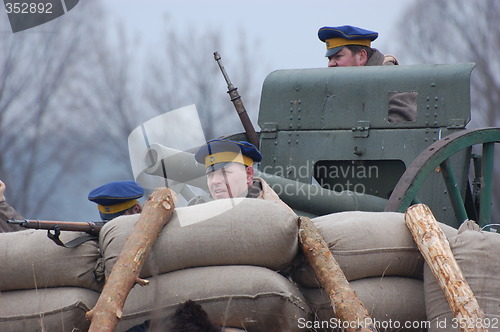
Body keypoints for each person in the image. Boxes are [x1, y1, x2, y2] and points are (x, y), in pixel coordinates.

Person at [318, 25, 417, 123]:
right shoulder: (350, 84)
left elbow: (403, 123)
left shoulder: (391, 79)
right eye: (329, 59)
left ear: (362, 57)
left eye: (338, 56)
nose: (331, 64)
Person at [189, 139, 294, 213]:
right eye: (210, 175)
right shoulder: (199, 212)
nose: (215, 181)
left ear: (248, 174)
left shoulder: (278, 215)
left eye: (224, 173)